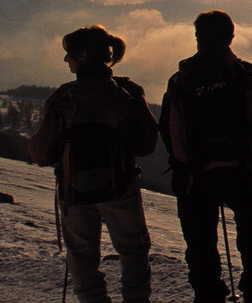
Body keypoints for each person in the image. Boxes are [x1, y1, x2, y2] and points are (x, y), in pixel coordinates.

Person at [159, 10, 252, 303]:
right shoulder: (245, 73)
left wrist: (185, 167)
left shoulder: (181, 79)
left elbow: (169, 127)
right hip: (242, 168)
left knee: (200, 240)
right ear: (231, 36)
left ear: (198, 37)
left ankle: (208, 293)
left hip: (196, 174)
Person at [30, 25, 158, 303]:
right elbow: (147, 144)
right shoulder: (128, 93)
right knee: (133, 251)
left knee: (82, 255)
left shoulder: (63, 97)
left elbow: (41, 153)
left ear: (84, 55)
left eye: (70, 54)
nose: (66, 60)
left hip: (75, 191)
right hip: (120, 187)